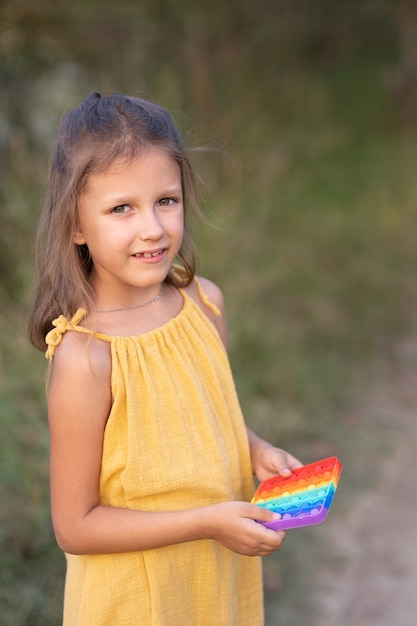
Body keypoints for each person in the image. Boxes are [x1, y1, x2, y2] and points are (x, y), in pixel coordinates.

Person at [28, 92, 302, 626]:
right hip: (138, 599)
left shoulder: (205, 302)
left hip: (210, 576)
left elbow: (206, 417)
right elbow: (75, 526)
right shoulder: (87, 359)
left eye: (166, 201)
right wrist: (207, 522)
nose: (152, 228)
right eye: (120, 208)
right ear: (76, 226)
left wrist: (255, 451)